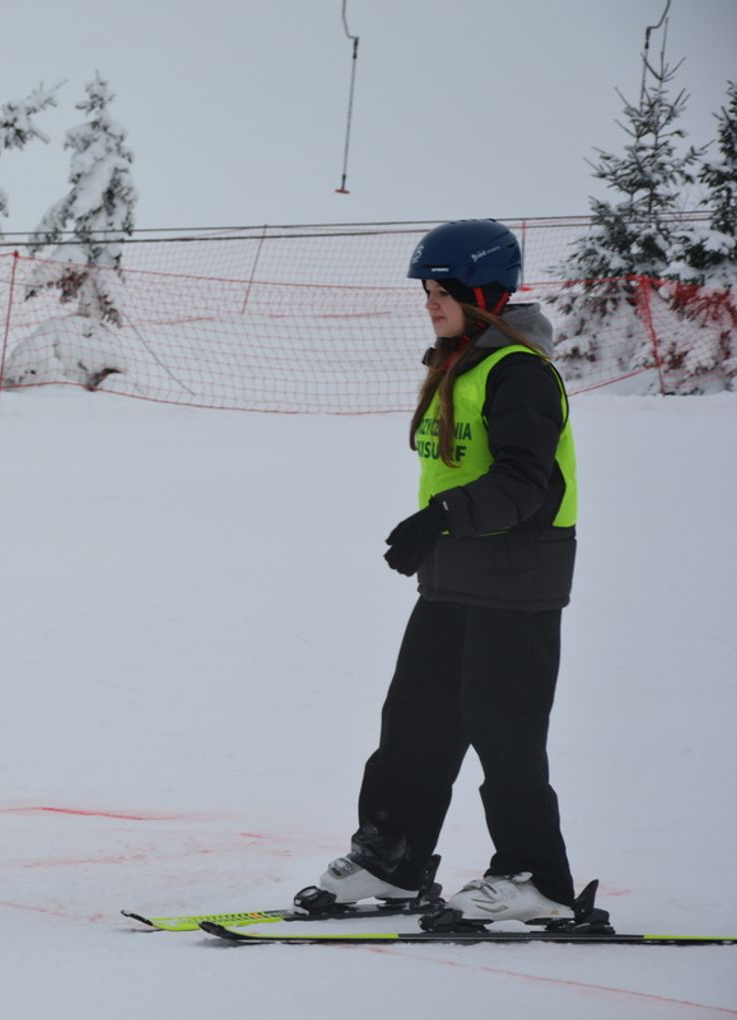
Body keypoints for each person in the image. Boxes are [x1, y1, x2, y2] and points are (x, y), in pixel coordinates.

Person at [315, 219, 582, 924]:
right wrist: (440, 533)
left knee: (506, 735)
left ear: (485, 294)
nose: (431, 304)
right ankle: (392, 861)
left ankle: (538, 880)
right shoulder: (460, 366)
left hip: (518, 582)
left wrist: (438, 518)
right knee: (415, 725)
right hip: (456, 576)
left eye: (444, 292)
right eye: (427, 293)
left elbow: (526, 484)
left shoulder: (519, 373)